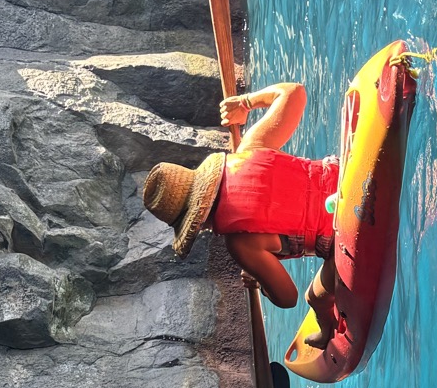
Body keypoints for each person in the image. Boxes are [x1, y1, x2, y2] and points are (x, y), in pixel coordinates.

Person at [141, 82, 341, 347]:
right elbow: (294, 93)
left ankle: (329, 334)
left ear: (197, 221)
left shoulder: (240, 243)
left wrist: (258, 278)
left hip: (342, 234)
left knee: (314, 299)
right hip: (344, 179)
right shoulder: (250, 147)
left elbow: (287, 297)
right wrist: (245, 103)